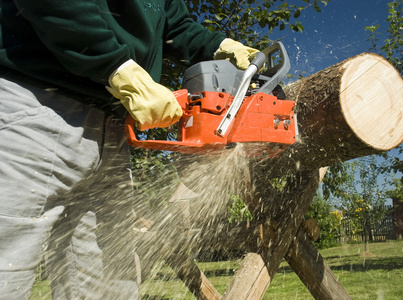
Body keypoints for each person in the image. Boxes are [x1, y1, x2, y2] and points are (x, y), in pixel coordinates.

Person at [0, 0, 258, 298]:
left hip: (113, 127)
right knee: (8, 264)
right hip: (36, 102)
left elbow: (175, 25)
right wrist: (116, 67)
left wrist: (220, 46)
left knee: (110, 282)